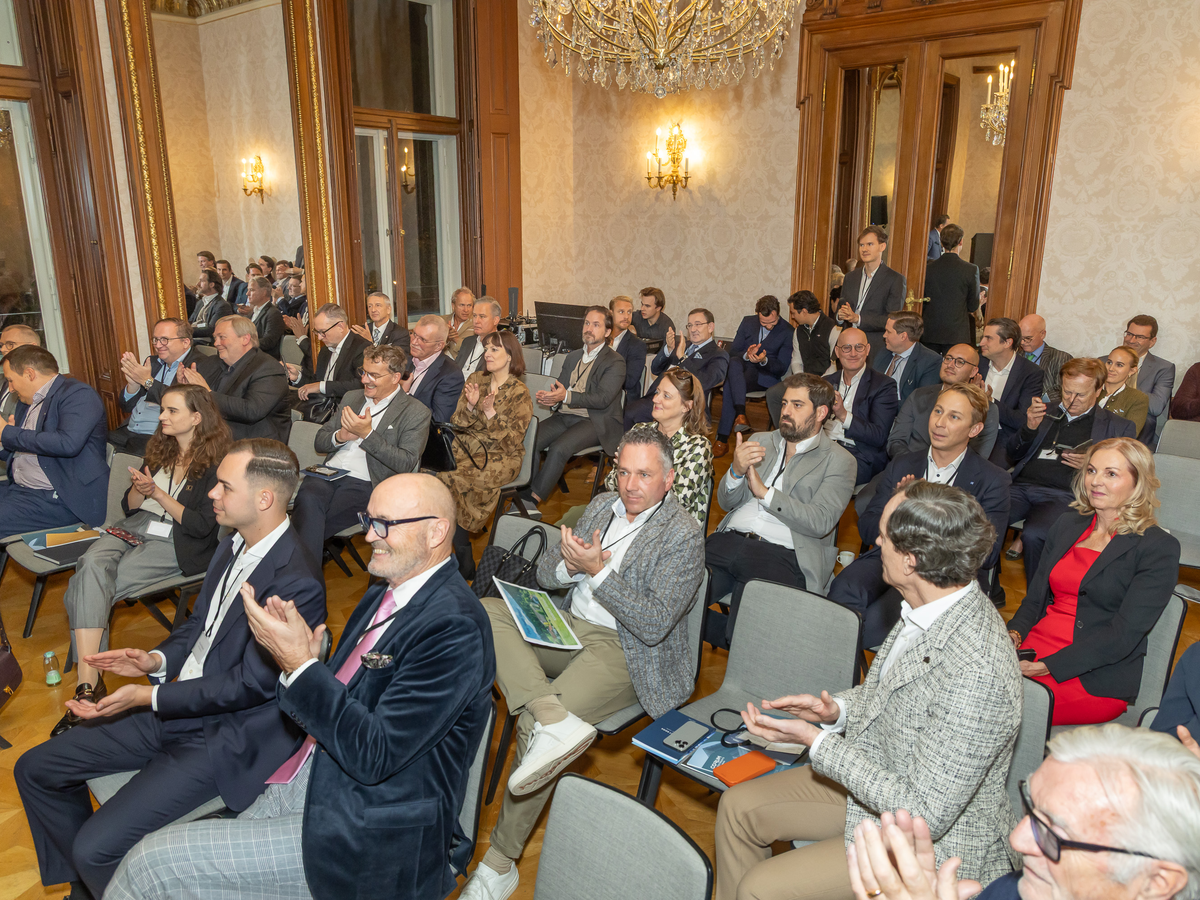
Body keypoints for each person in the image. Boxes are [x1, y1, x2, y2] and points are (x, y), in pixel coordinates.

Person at [104, 474, 496, 900]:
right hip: (309, 776)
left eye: (384, 524)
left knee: (150, 864)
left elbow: (376, 754)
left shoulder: (455, 627)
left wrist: (301, 666)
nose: (368, 536)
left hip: (365, 829)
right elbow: (350, 696)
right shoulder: (388, 590)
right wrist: (308, 664)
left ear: (436, 532)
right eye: (369, 520)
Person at [15, 439, 326, 900]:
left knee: (95, 848)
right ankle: (90, 888)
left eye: (224, 486)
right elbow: (199, 625)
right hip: (177, 707)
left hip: (223, 736)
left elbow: (250, 685)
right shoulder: (233, 543)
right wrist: (155, 660)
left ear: (264, 499)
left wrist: (151, 695)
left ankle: (97, 880)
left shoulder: (296, 580)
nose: (212, 494)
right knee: (35, 768)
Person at [715, 480, 1022, 900]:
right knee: (738, 809)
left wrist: (817, 741)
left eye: (884, 536)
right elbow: (887, 692)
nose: (876, 542)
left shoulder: (978, 669)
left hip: (927, 845)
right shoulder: (927, 605)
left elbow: (923, 813)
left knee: (758, 890)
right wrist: (835, 711)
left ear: (911, 560)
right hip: (877, 780)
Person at [462, 427, 704, 900]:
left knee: (531, 724)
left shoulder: (683, 535)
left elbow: (654, 624)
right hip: (567, 626)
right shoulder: (602, 505)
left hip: (627, 649)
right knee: (483, 611)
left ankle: (500, 863)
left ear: (669, 478)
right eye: (624, 472)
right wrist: (569, 567)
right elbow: (546, 572)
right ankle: (551, 712)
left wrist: (598, 571)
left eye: (644, 475)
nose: (630, 485)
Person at [53, 385, 231, 737]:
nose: (162, 416)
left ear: (197, 418)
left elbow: (200, 526)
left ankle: (86, 686)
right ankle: (91, 683)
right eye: (162, 409)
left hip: (178, 541)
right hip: (135, 526)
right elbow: (129, 506)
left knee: (84, 587)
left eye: (171, 411)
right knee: (91, 564)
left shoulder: (217, 464)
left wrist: (158, 494)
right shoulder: (161, 449)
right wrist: (138, 488)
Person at [847, 725, 1200, 900]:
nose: (1016, 839)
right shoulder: (1011, 889)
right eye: (1031, 807)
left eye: (1055, 834)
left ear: (1155, 883)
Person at [1007, 438, 1180, 725]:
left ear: (1138, 482)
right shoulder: (1067, 524)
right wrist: (1013, 635)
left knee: (997, 706)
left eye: (1111, 473)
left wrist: (1048, 666)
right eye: (1091, 470)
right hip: (1036, 647)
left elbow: (1123, 635)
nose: (1095, 481)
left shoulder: (1157, 547)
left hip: (1094, 673)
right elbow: (1035, 600)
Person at [829, 383, 1010, 646]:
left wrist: (920, 518)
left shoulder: (993, 480)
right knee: (844, 591)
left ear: (974, 429)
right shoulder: (903, 464)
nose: (940, 422)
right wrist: (897, 507)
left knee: (873, 625)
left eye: (954, 416)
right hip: (888, 557)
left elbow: (988, 554)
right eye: (938, 411)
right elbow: (867, 528)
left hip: (943, 577)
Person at [705, 373, 857, 646]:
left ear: (821, 413)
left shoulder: (839, 460)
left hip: (781, 554)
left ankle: (748, 643)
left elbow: (821, 521)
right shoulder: (761, 440)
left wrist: (766, 494)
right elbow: (726, 504)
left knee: (744, 636)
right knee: (673, 605)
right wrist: (735, 472)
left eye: (797, 405)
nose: (786, 411)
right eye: (785, 403)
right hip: (727, 541)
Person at [1003, 359, 1136, 588]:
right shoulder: (1044, 411)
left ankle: (1037, 601)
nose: (1072, 400)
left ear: (1098, 391)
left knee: (1035, 535)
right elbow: (1012, 453)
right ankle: (986, 588)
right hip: (1021, 487)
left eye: (1081, 395)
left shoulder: (1117, 426)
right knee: (981, 520)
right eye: (1067, 392)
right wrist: (1029, 428)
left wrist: (1093, 465)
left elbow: (1126, 473)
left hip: (1065, 495)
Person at [291, 344, 430, 563]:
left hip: (368, 482)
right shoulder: (352, 398)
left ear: (395, 377)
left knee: (310, 521)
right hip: (328, 473)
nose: (365, 380)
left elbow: (405, 462)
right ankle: (300, 571)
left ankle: (291, 563)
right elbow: (320, 441)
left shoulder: (415, 412)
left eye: (374, 375)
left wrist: (367, 435)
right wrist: (341, 436)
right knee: (309, 499)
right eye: (363, 372)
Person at [436, 330, 534, 577]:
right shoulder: (476, 379)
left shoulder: (519, 392)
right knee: (434, 473)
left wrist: (490, 413)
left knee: (451, 479)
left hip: (503, 456)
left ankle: (461, 555)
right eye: (486, 349)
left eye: (494, 349)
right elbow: (457, 422)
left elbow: (511, 442)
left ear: (510, 356)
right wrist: (470, 405)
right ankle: (456, 556)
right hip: (470, 447)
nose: (487, 354)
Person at [522, 306, 625, 507]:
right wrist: (552, 399)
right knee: (530, 439)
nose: (589, 328)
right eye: (587, 323)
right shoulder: (573, 357)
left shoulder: (615, 361)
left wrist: (566, 396)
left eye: (596, 325)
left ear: (607, 332)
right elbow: (561, 388)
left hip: (595, 420)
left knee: (559, 448)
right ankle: (525, 489)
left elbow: (602, 399)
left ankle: (532, 501)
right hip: (565, 415)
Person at [0, 344, 109, 533]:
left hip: (62, 497)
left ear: (29, 374)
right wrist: (3, 442)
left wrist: (6, 432)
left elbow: (67, 444)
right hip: (21, 489)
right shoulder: (27, 402)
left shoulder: (78, 395)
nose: (10, 388)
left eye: (11, 380)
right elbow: (21, 448)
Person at [607, 368, 713, 523]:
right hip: (627, 516)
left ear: (686, 406)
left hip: (670, 528)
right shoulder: (639, 431)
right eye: (657, 392)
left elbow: (677, 502)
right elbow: (610, 483)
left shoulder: (697, 447)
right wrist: (625, 472)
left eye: (666, 396)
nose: (656, 399)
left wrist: (632, 473)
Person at [112, 318, 223, 454]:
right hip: (129, 429)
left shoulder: (202, 365)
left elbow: (184, 403)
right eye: (155, 340)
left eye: (164, 340)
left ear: (185, 342)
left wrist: (147, 381)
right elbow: (126, 407)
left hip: (160, 436)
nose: (158, 345)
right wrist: (133, 385)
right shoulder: (152, 362)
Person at [177, 315, 292, 442]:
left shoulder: (268, 368)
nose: (216, 343)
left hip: (255, 444)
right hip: (216, 438)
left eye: (222, 337)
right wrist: (188, 390)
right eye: (215, 338)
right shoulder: (212, 363)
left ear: (245, 339)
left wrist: (207, 393)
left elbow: (252, 411)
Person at [886, 343, 999, 460]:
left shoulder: (986, 409)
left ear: (973, 371)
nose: (950, 365)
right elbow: (896, 441)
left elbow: (978, 457)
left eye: (960, 362)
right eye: (948, 358)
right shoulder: (918, 395)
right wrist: (915, 466)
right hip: (909, 464)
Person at [714, 295, 795, 457]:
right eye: (763, 323)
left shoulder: (788, 331)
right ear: (758, 314)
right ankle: (740, 415)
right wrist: (747, 354)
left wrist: (764, 360)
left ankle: (723, 438)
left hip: (764, 376)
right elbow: (733, 352)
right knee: (735, 362)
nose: (768, 326)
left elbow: (781, 367)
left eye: (772, 323)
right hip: (741, 372)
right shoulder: (748, 322)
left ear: (777, 314)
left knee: (731, 383)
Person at [628, 306, 728, 428]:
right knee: (628, 412)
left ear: (710, 327)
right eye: (690, 325)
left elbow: (707, 382)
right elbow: (655, 369)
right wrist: (668, 350)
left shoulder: (718, 354)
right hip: (656, 398)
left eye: (698, 324)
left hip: (685, 406)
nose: (693, 329)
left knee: (632, 413)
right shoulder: (682, 345)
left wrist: (683, 358)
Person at [824, 328, 900, 486]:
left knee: (824, 478)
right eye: (847, 348)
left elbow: (879, 436)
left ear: (867, 350)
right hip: (823, 447)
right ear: (837, 352)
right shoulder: (826, 382)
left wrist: (843, 415)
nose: (853, 353)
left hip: (859, 454)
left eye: (859, 347)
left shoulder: (883, 386)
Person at [286, 303, 371, 422]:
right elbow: (316, 382)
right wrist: (298, 377)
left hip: (348, 414)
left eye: (323, 332)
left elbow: (360, 385)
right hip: (322, 411)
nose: (320, 337)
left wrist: (321, 386)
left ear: (340, 326)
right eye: (317, 332)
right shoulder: (325, 350)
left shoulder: (362, 348)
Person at [977, 317, 1044, 466]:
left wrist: (990, 401)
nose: (981, 343)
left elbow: (1022, 420)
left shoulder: (1030, 373)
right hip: (969, 431)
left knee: (984, 471)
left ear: (1007, 342)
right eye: (983, 338)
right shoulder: (977, 363)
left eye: (988, 338)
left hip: (1003, 439)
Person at [765, 290, 838, 426]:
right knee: (773, 394)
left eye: (793, 313)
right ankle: (784, 432)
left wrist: (819, 382)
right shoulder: (798, 331)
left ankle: (807, 432)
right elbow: (796, 360)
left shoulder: (832, 329)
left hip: (826, 381)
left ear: (804, 311)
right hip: (804, 379)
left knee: (810, 399)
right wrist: (801, 380)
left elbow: (835, 364)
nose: (792, 316)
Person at [836, 226, 906, 358]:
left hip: (875, 346)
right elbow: (842, 307)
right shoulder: (850, 277)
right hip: (847, 344)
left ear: (882, 246)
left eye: (870, 244)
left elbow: (892, 320)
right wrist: (840, 316)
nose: (864, 249)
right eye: (861, 245)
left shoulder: (895, 279)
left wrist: (858, 319)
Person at [920, 224, 980, 355]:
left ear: (941, 242)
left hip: (930, 330)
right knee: (954, 366)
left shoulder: (928, 269)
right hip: (957, 332)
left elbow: (922, 300)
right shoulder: (971, 270)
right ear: (961, 241)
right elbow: (973, 305)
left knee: (929, 365)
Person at [1122, 314, 1174, 445]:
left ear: (1152, 341)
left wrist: (1124, 383)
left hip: (1140, 431)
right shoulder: (1104, 362)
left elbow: (1156, 407)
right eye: (1129, 334)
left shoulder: (1164, 368)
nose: (1131, 340)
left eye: (1140, 337)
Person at [404, 313, 465, 422]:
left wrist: (405, 394)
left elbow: (439, 421)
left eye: (422, 339)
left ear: (439, 346)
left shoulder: (451, 374)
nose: (413, 342)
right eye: (414, 334)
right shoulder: (404, 362)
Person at [872, 312, 942, 403]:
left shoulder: (930, 361)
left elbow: (921, 402)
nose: (884, 335)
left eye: (888, 332)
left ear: (903, 336)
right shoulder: (884, 351)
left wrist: (883, 405)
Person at [1018, 313, 1072, 405]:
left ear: (1042, 334)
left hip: (1045, 409)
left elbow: (1063, 391)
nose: (1022, 342)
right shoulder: (1015, 356)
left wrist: (1036, 400)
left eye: (1028, 338)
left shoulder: (1061, 358)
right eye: (1020, 338)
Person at [608, 294, 648, 411]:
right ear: (611, 313)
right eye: (621, 312)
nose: (626, 316)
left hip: (623, 403)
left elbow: (629, 381)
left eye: (629, 312)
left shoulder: (637, 345)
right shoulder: (600, 339)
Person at [1098, 346, 1150, 435]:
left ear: (1132, 371)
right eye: (1109, 362)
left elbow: (1129, 435)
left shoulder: (1138, 399)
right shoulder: (1091, 389)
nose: (1111, 368)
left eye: (1119, 365)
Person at [0, 323, 42, 417]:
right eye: (1, 345)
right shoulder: (5, 378)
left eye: (10, 344)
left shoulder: (39, 382)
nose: (3, 349)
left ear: (32, 347)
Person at [350, 290, 410, 354]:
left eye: (378, 305)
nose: (373, 310)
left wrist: (371, 342)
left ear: (388, 309)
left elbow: (396, 358)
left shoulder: (400, 333)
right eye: (370, 306)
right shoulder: (362, 331)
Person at [454, 296, 502, 375]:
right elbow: (454, 370)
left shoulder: (501, 346)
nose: (476, 321)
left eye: (482, 316)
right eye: (474, 316)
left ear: (495, 320)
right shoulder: (467, 342)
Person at [244, 275, 285, 359]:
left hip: (264, 359)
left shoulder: (273, 313)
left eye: (251, 290)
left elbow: (269, 341)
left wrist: (246, 344)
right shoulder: (251, 313)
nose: (247, 293)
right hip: (251, 356)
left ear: (264, 292)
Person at [188, 268, 233, 345]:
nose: (198, 284)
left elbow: (211, 330)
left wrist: (187, 331)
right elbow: (190, 322)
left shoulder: (222, 305)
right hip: (195, 339)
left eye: (202, 281)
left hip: (209, 343)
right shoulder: (200, 303)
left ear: (211, 284)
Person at [444, 285, 476, 357]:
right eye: (462, 305)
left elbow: (474, 351)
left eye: (469, 305)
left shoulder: (476, 325)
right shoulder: (442, 321)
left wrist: (456, 339)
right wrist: (445, 338)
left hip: (462, 363)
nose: (466, 310)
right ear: (453, 306)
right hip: (441, 362)